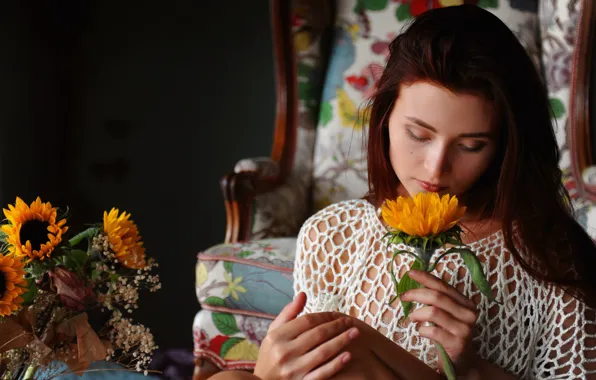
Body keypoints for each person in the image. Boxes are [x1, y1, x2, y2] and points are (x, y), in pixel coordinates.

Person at [211, 4, 596, 380]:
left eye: (470, 145)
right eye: (418, 134)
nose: (435, 168)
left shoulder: (551, 257)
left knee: (351, 348)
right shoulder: (331, 233)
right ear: (384, 117)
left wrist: (472, 369)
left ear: (504, 144)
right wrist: (270, 370)